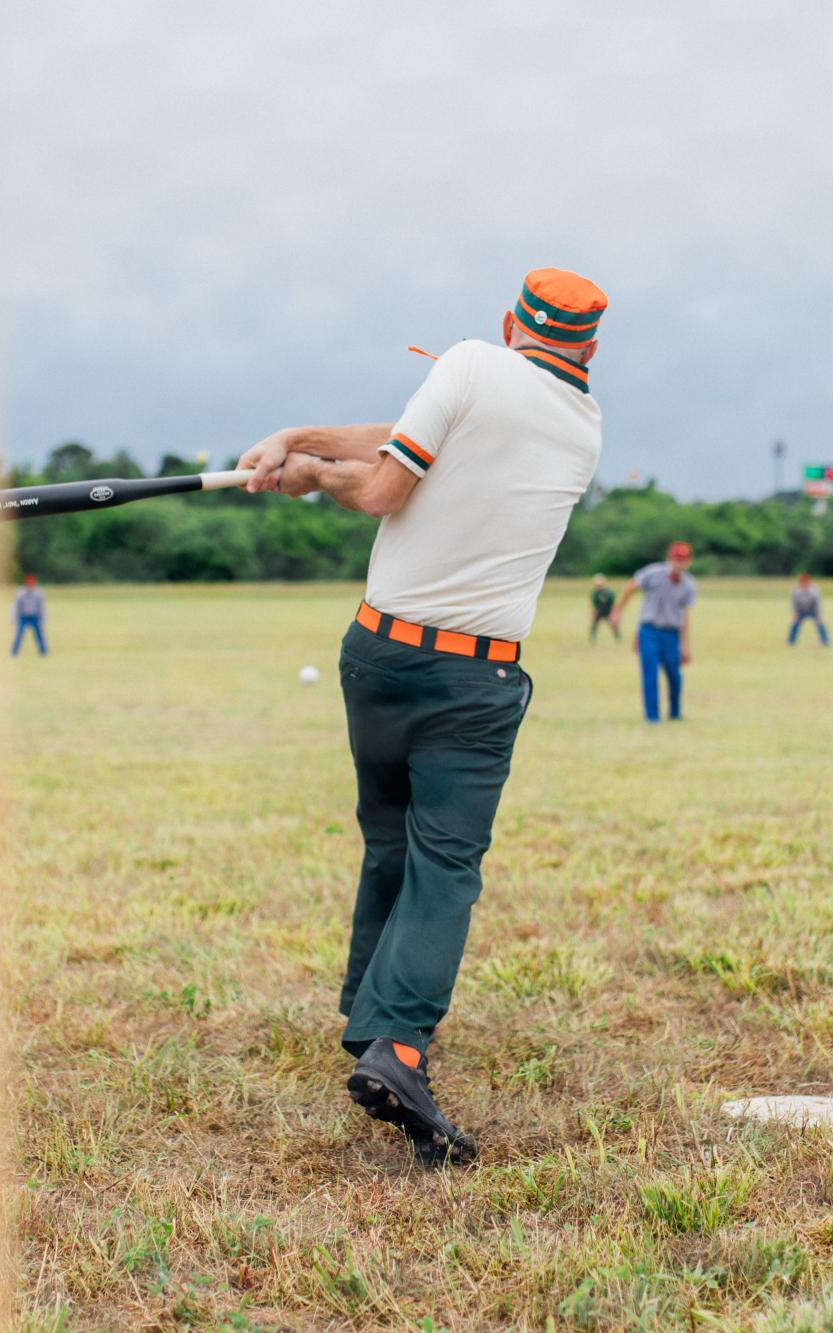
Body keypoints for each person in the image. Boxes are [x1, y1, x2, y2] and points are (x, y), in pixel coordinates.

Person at [237, 266, 606, 1166]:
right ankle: (395, 1048)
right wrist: (307, 441)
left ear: (512, 324)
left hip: (379, 655)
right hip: (473, 681)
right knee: (445, 863)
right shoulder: (583, 426)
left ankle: (371, 1018)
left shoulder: (472, 364)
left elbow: (379, 485)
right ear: (587, 348)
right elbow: (404, 440)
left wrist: (314, 471)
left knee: (392, 842)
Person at [611, 541, 696, 724]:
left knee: (674, 674)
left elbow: (685, 615)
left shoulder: (688, 584)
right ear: (669, 558)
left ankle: (675, 712)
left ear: (688, 562)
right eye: (676, 559)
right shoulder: (653, 573)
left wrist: (685, 646)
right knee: (650, 673)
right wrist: (618, 611)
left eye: (682, 560)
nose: (678, 564)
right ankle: (652, 717)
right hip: (649, 631)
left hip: (671, 633)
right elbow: (631, 587)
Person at [788, 573, 830, 646]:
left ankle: (825, 641)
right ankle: (791, 642)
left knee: (820, 624)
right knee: (794, 624)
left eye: (806, 582)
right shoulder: (796, 591)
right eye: (802, 582)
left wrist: (819, 614)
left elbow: (818, 603)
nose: (804, 584)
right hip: (801, 610)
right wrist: (795, 613)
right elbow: (794, 602)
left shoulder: (814, 590)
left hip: (812, 610)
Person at [10, 574, 47, 656]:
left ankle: (44, 652)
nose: (30, 584)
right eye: (29, 582)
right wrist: (13, 618)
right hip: (24, 617)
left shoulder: (38, 593)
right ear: (26, 583)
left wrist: (43, 620)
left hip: (35, 617)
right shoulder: (20, 593)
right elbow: (16, 606)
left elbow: (42, 608)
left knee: (39, 635)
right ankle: (14, 652)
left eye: (32, 582)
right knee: (19, 635)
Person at [588, 573, 618, 644]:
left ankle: (617, 637)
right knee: (594, 625)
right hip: (599, 611)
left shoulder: (609, 592)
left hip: (608, 611)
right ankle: (593, 637)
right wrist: (592, 613)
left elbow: (613, 603)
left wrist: (614, 613)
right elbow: (593, 605)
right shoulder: (594, 593)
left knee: (613, 625)